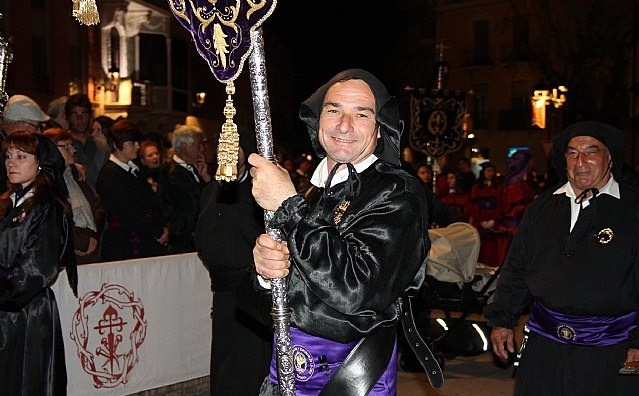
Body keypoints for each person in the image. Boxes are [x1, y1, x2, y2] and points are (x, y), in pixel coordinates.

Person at [249, 69, 431, 395]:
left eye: (361, 114)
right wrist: (266, 272)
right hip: (284, 372)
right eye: (333, 110)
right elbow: (252, 305)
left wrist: (289, 208)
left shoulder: (397, 193)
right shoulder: (308, 191)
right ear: (318, 120)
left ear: (380, 129)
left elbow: (355, 291)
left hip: (349, 378)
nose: (344, 125)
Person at [484, 121, 639, 395]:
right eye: (572, 153)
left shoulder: (632, 209)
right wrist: (502, 321)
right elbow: (516, 268)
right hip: (545, 344)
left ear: (610, 158)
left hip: (612, 347)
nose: (581, 161)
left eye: (591, 152)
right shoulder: (542, 207)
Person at [194, 130, 273, 396]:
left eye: (235, 147)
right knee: (225, 364)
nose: (228, 151)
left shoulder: (257, 192)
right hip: (222, 293)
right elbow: (202, 236)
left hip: (251, 292)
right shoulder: (210, 190)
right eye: (223, 145)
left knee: (249, 366)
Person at [0, 130, 77, 395]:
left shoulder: (46, 206)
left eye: (21, 157)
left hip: (26, 312)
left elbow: (38, 269)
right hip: (8, 309)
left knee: (24, 381)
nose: (11, 162)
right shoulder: (8, 203)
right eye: (8, 156)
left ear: (40, 162)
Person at [96, 119, 168, 261]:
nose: (137, 146)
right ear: (116, 145)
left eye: (137, 142)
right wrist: (157, 231)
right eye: (131, 143)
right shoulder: (110, 174)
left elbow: (151, 202)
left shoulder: (134, 169)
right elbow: (128, 214)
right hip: (125, 243)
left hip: (144, 239)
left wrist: (162, 227)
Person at [43, 127, 104, 264]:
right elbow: (55, 221)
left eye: (72, 145)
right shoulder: (46, 182)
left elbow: (97, 205)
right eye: (66, 146)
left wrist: (94, 237)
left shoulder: (75, 174)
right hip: (66, 252)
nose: (73, 150)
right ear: (52, 150)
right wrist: (80, 243)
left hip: (90, 245)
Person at [158, 124, 210, 254]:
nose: (202, 149)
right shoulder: (172, 173)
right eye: (199, 145)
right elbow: (193, 203)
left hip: (195, 237)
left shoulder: (195, 169)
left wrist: (205, 177)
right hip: (183, 239)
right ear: (185, 146)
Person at [65, 93, 109, 188]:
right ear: (68, 118)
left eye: (84, 115)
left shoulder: (102, 147)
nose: (79, 119)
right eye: (74, 115)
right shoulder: (62, 146)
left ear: (90, 117)